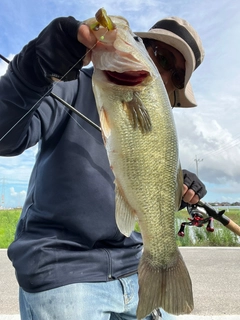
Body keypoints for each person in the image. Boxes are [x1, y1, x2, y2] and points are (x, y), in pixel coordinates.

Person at [0, 12, 206, 320]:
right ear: (144, 50)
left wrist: (176, 186)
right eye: (162, 59)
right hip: (63, 270)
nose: (165, 77)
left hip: (133, 268)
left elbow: (141, 185)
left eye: (177, 77)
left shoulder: (157, 123)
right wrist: (34, 66)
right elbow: (6, 136)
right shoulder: (66, 85)